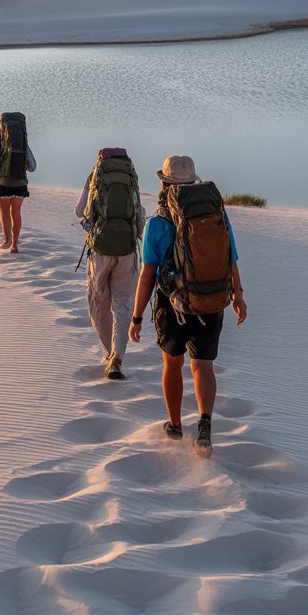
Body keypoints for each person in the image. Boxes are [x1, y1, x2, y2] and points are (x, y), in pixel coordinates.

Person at [129, 155, 248, 456]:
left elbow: (147, 275)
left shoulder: (157, 223)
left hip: (173, 306)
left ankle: (175, 426)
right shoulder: (216, 215)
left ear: (165, 184)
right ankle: (204, 425)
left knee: (173, 363)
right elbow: (231, 258)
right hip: (212, 299)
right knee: (203, 365)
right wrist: (238, 296)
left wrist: (137, 317)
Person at [75, 148, 146, 380]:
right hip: (126, 250)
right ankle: (117, 359)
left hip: (100, 250)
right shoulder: (131, 178)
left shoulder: (95, 175)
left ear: (101, 159)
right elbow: (140, 217)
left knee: (98, 304)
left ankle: (109, 354)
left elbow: (79, 211)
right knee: (123, 307)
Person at [0, 111, 35, 253]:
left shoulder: (0, 143)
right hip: (20, 184)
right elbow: (33, 167)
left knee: (5, 214)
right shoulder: (24, 145)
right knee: (16, 213)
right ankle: (14, 244)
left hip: (3, 183)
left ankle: (7, 240)